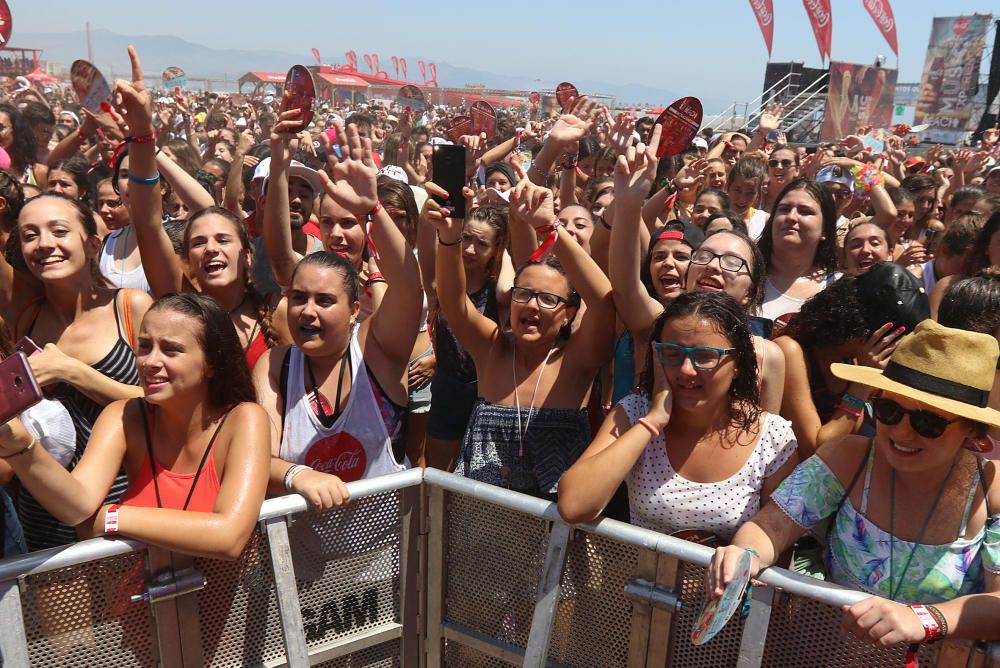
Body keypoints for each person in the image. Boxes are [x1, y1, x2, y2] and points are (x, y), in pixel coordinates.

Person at [708, 320, 1000, 647]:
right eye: (889, 410)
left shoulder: (992, 492)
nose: (902, 433)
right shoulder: (848, 458)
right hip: (827, 654)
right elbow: (770, 528)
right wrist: (743, 554)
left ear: (973, 433)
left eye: (927, 422)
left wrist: (924, 618)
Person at [0, 293, 269, 560]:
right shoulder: (124, 415)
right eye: (144, 346)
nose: (150, 362)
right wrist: (21, 446)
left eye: (170, 349)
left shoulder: (244, 419)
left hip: (216, 600)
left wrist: (113, 516)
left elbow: (228, 538)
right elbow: (77, 507)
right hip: (134, 598)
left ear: (212, 363)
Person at [254, 119, 421, 510]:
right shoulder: (275, 367)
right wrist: (298, 475)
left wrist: (375, 210)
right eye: (298, 298)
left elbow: (410, 291)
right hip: (302, 566)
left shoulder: (377, 350)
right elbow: (259, 457)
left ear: (355, 310)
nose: (307, 311)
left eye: (325, 301)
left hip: (385, 562)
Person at [428, 176, 615, 499]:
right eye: (523, 294)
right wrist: (449, 238)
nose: (531, 305)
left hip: (552, 529)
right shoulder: (492, 349)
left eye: (547, 299)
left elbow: (603, 302)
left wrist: (550, 229)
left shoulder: (578, 360)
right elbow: (454, 301)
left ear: (569, 313)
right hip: (478, 520)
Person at [558, 292, 798, 541]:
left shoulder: (774, 437)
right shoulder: (633, 414)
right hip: (642, 579)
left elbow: (776, 545)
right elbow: (573, 505)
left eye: (705, 356)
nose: (686, 370)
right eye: (672, 353)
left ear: (738, 362)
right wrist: (652, 422)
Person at [10, 191, 152, 550]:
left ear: (91, 245)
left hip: (127, 512)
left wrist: (73, 371)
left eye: (58, 231)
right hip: (46, 517)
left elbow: (171, 403)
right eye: (30, 236)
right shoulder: (26, 322)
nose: (44, 244)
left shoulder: (130, 308)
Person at [425, 206, 509, 471]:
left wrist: (504, 250)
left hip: (484, 394)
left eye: (482, 243)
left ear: (496, 250)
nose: (470, 249)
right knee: (439, 477)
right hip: (447, 391)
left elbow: (508, 290)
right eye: (466, 239)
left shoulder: (498, 291)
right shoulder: (442, 282)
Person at [758, 179, 839, 329]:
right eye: (784, 209)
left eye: (805, 211)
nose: (791, 217)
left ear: (825, 230)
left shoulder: (838, 289)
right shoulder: (745, 275)